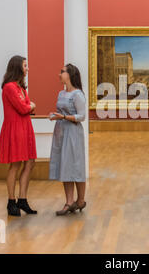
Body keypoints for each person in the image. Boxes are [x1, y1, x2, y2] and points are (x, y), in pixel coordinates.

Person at [0, 55, 38, 216]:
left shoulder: (20, 87)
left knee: (30, 162)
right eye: (25, 66)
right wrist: (31, 105)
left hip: (25, 127)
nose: (28, 68)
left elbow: (26, 107)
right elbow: (24, 108)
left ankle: (22, 199)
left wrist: (29, 106)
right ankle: (11, 201)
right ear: (17, 68)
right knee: (15, 164)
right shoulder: (9, 87)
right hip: (15, 128)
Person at [49, 63, 87, 216]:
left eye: (62, 71)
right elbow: (60, 112)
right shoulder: (61, 93)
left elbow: (81, 116)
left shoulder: (78, 94)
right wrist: (55, 116)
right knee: (65, 165)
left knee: (76, 165)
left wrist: (64, 116)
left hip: (73, 133)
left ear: (70, 74)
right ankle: (69, 202)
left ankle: (80, 200)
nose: (59, 74)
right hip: (61, 132)